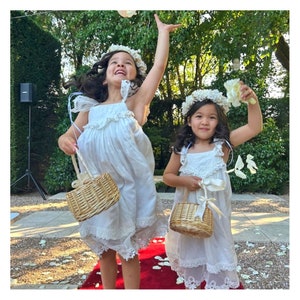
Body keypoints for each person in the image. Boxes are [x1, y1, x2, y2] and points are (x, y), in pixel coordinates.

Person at [58, 14, 181, 289]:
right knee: (104, 249)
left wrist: (163, 34)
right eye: (115, 62)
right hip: (98, 193)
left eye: (127, 63)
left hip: (127, 190)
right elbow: (69, 135)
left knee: (127, 249)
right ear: (104, 77)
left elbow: (159, 67)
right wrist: (64, 141)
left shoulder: (135, 103)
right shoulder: (89, 110)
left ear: (135, 75)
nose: (121, 65)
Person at [163, 82, 263, 289]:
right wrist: (185, 181)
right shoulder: (182, 149)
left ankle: (217, 277)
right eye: (199, 116)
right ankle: (196, 274)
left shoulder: (223, 145)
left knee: (216, 241)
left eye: (212, 117)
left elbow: (255, 127)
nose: (205, 122)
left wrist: (252, 100)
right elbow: (167, 176)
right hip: (189, 212)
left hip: (215, 212)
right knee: (192, 243)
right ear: (189, 120)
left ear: (218, 122)